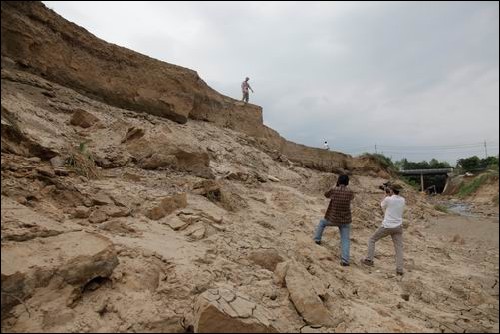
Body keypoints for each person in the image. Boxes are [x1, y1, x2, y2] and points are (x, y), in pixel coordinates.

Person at [362, 183, 406, 275]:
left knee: (372, 239)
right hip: (398, 227)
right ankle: (399, 269)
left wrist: (386, 194)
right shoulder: (402, 200)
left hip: (387, 226)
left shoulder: (388, 199)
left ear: (392, 190)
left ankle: (369, 259)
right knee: (399, 249)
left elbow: (382, 206)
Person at [313, 174, 355, 266]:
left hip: (333, 218)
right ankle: (345, 260)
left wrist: (336, 186)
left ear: (339, 181)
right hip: (345, 220)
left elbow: (326, 194)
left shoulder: (334, 190)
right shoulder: (350, 192)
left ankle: (317, 239)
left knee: (322, 223)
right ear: (347, 182)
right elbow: (352, 198)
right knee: (345, 239)